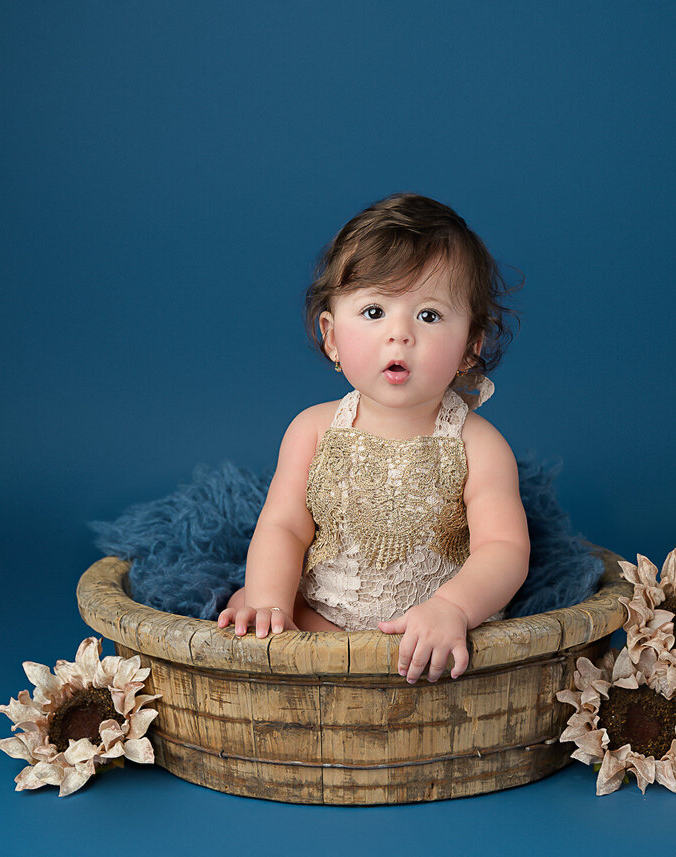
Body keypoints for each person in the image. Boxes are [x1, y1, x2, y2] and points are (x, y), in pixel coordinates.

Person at [218, 193, 529, 684]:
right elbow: (284, 528)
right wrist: (266, 598)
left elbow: (504, 548)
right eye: (374, 311)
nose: (399, 334)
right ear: (332, 337)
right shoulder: (314, 430)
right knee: (253, 605)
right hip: (321, 622)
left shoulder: (477, 444)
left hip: (428, 635)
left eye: (429, 315)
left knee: (460, 645)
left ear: (472, 344)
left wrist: (451, 607)